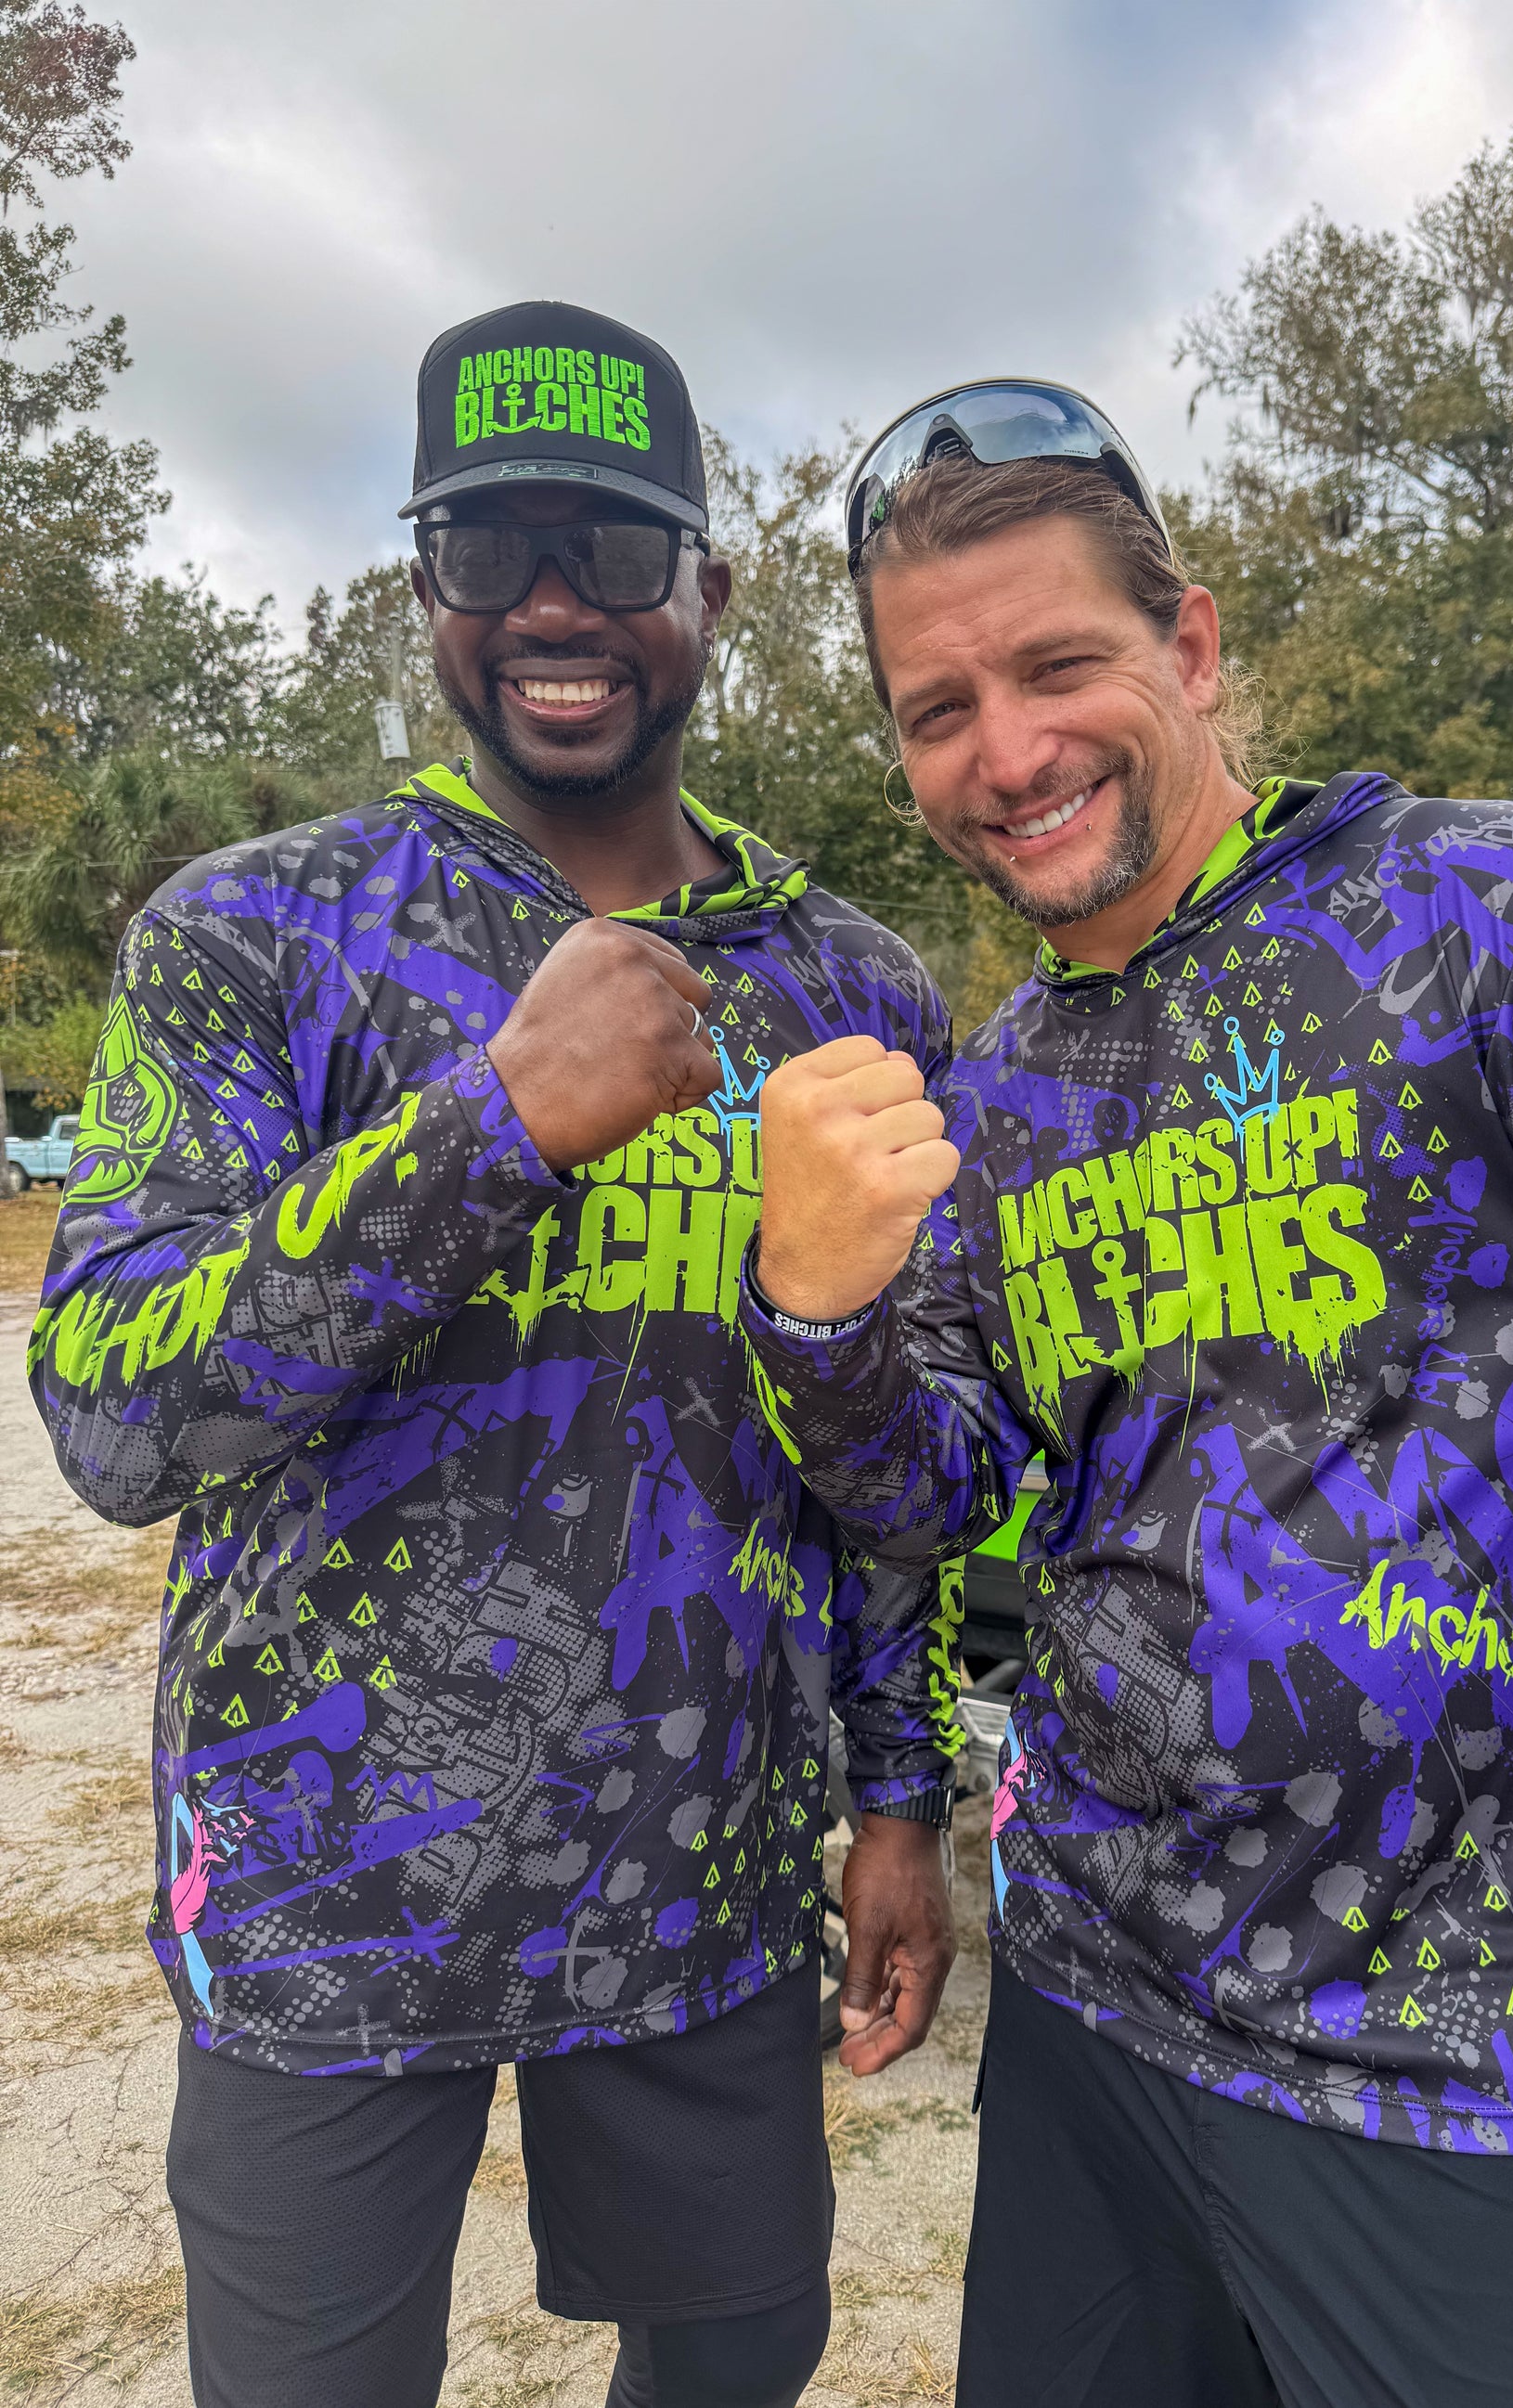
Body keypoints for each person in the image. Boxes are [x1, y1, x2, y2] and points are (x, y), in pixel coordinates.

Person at [737, 380, 1513, 2408]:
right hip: (1088, 2021)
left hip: (1459, 2068)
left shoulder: (1500, 914)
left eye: (1057, 665)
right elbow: (931, 1492)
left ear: (1195, 645)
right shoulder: (1007, 1081)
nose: (1005, 752)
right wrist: (811, 1307)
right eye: (938, 709)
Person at [29, 302, 961, 2408]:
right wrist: (500, 1119)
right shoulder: (251, 932)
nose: (553, 605)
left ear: (709, 592)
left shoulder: (848, 981)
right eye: (486, 547)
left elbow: (879, 1434)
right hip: (325, 1881)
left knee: (741, 2354)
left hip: (707, 1874)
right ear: (426, 589)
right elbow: (109, 1411)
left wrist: (901, 1799)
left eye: (614, 550)